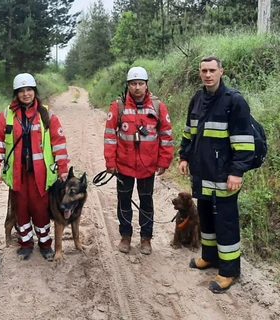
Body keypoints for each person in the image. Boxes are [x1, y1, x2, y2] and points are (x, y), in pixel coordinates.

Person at [179, 55, 255, 293]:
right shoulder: (197, 98)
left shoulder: (234, 101)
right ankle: (209, 257)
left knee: (226, 222)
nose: (208, 75)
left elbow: (244, 140)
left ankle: (229, 271)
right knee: (206, 218)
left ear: (222, 71)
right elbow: (189, 131)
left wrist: (237, 172)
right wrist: (183, 156)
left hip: (225, 176)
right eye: (204, 70)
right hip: (202, 173)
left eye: (212, 70)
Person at [0, 73, 69, 261]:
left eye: (29, 90)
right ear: (16, 93)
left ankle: (45, 244)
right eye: (21, 91)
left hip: (40, 174)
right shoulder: (6, 114)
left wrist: (63, 169)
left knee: (41, 209)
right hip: (17, 173)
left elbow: (59, 143)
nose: (26, 94)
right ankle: (25, 243)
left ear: (35, 91)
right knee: (21, 208)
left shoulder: (46, 114)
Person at [103, 66, 174, 255]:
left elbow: (166, 135)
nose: (137, 88)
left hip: (147, 166)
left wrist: (164, 161)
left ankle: (146, 238)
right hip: (123, 166)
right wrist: (110, 162)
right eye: (133, 84)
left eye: (140, 84)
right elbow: (110, 136)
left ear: (146, 85)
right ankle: (125, 236)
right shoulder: (117, 106)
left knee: (146, 201)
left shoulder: (158, 106)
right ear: (128, 85)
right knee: (123, 201)